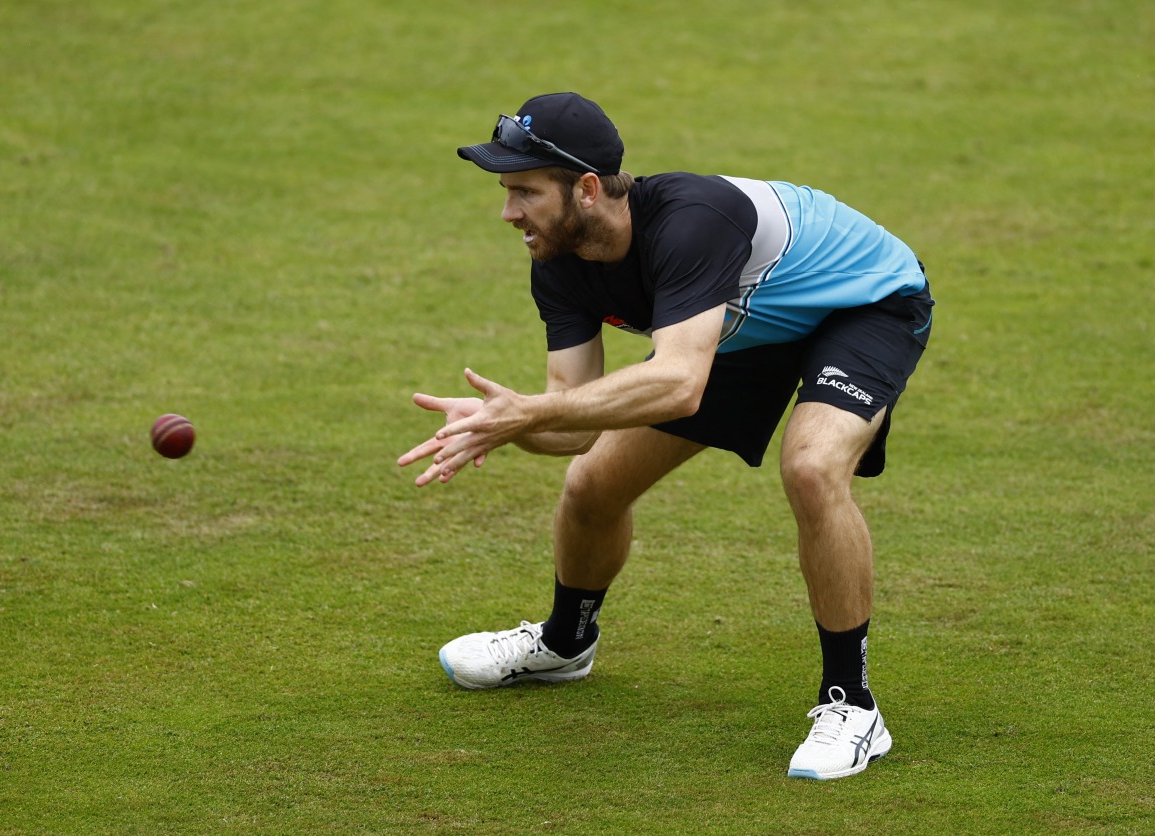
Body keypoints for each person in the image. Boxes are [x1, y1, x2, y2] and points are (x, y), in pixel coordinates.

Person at [398, 92, 934, 781]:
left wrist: (530, 413)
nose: (509, 213)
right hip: (740, 328)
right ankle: (565, 645)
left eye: (524, 192)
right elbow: (570, 414)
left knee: (810, 467)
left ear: (586, 189)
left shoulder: (691, 224)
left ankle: (852, 705)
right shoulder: (558, 261)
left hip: (862, 305)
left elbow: (679, 383)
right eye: (507, 192)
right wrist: (500, 427)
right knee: (592, 483)